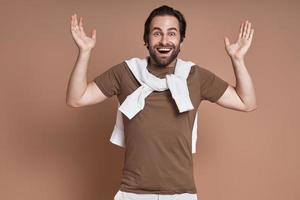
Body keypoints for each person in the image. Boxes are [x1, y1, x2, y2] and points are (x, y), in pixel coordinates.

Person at [66, 5, 257, 200]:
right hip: (132, 193)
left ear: (181, 39)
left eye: (172, 33)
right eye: (157, 33)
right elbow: (77, 98)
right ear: (146, 40)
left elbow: (246, 102)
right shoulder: (126, 73)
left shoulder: (195, 76)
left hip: (181, 194)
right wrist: (84, 53)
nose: (164, 40)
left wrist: (238, 60)